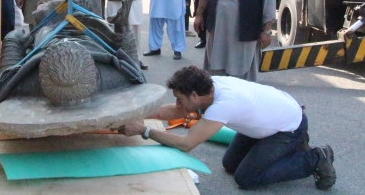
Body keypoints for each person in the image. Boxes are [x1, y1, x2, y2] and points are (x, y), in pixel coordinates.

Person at [119, 65, 336, 191]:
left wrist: (143, 130)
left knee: (246, 179)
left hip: (288, 128)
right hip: (267, 122)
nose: (177, 104)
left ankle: (315, 157)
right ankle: (287, 150)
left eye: (179, 98)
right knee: (230, 164)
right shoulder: (208, 88)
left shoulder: (224, 104)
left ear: (194, 96)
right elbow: (176, 112)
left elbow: (187, 144)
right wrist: (130, 115)